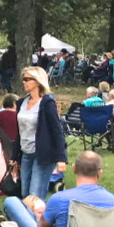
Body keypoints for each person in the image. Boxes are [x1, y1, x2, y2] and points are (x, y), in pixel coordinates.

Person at [14, 67, 68, 199]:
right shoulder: (21, 103)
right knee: (24, 194)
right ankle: (27, 219)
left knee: (35, 195)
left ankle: (37, 219)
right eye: (23, 79)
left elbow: (57, 131)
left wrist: (61, 158)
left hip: (42, 155)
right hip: (25, 154)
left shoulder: (47, 103)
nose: (24, 82)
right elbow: (19, 131)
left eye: (27, 79)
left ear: (38, 82)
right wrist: (14, 157)